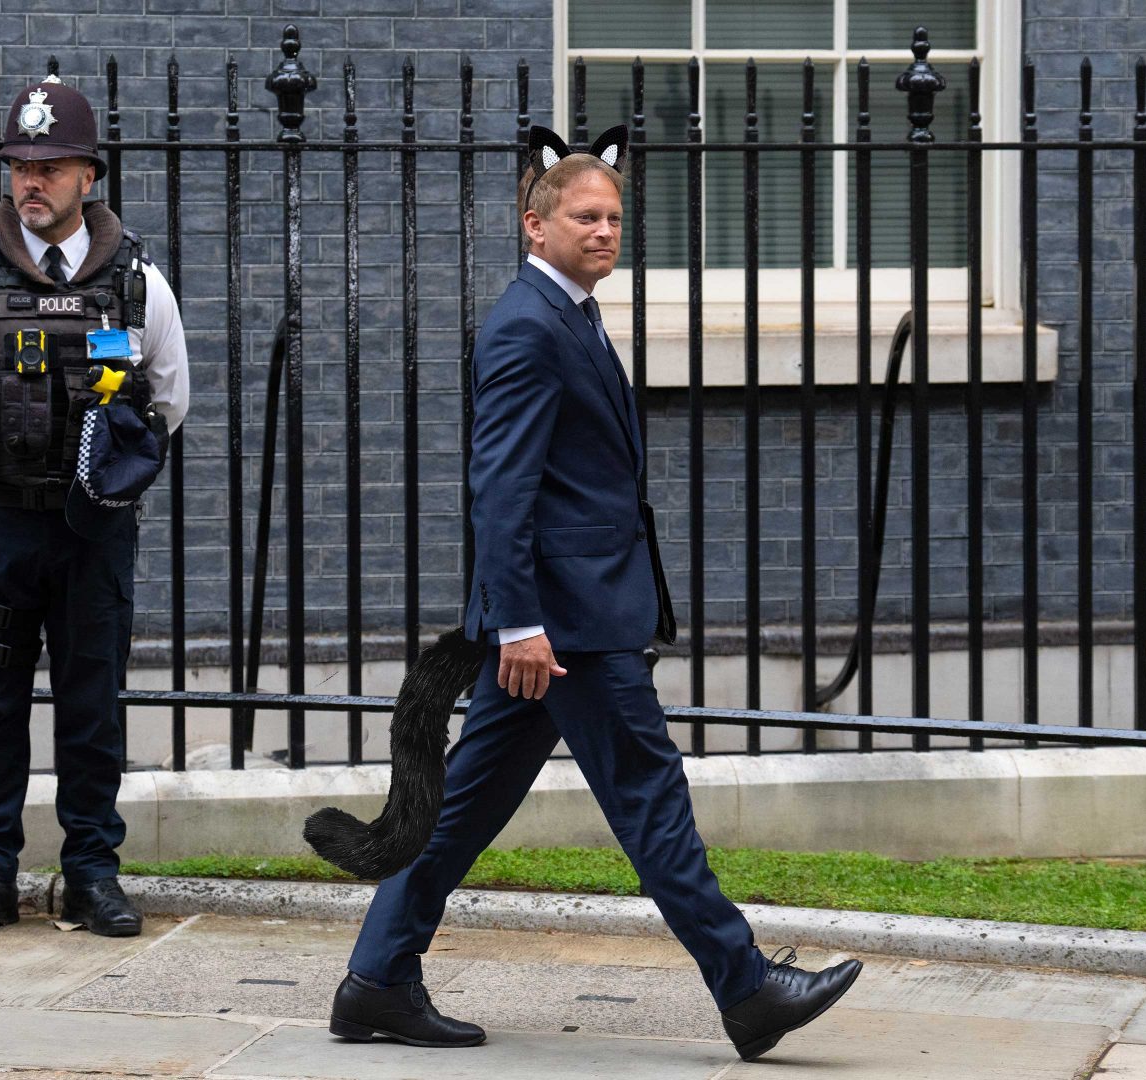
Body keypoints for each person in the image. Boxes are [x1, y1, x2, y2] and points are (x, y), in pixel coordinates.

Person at [328, 124, 860, 1062]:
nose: (606, 230)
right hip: (563, 625)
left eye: (615, 216)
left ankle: (375, 980)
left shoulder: (571, 312)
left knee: (462, 809)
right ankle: (745, 987)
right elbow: (502, 489)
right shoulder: (529, 325)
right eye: (585, 215)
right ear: (535, 227)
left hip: (569, 614)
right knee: (650, 796)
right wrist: (522, 622)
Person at [0, 75, 189, 939]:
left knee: (92, 703)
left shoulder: (140, 285)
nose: (33, 180)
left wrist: (89, 472)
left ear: (88, 176)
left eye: (53, 165)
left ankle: (93, 872)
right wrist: (0, 464)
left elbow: (167, 403)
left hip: (94, 526)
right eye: (21, 164)